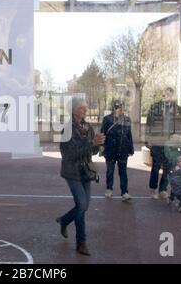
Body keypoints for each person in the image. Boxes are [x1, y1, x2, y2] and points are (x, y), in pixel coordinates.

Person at [57, 97, 105, 256]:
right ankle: (82, 242)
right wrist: (91, 144)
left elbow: (91, 152)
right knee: (82, 204)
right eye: (82, 108)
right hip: (72, 172)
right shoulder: (66, 129)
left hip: (86, 171)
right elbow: (70, 154)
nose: (85, 110)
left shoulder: (88, 126)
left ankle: (64, 221)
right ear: (73, 110)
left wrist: (98, 145)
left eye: (85, 107)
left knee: (83, 207)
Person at [145, 87, 181, 199]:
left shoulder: (178, 109)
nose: (166, 96)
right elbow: (149, 125)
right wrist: (148, 140)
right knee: (156, 167)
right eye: (164, 94)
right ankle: (153, 189)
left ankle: (163, 189)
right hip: (157, 143)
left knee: (168, 168)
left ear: (172, 96)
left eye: (168, 94)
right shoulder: (154, 108)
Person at [100, 100, 134, 202]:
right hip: (110, 149)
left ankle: (124, 192)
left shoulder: (127, 119)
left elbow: (129, 135)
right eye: (120, 107)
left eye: (123, 107)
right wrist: (102, 146)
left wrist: (131, 149)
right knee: (110, 170)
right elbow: (102, 133)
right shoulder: (107, 119)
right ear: (115, 108)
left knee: (123, 172)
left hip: (123, 150)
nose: (123, 109)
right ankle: (109, 188)